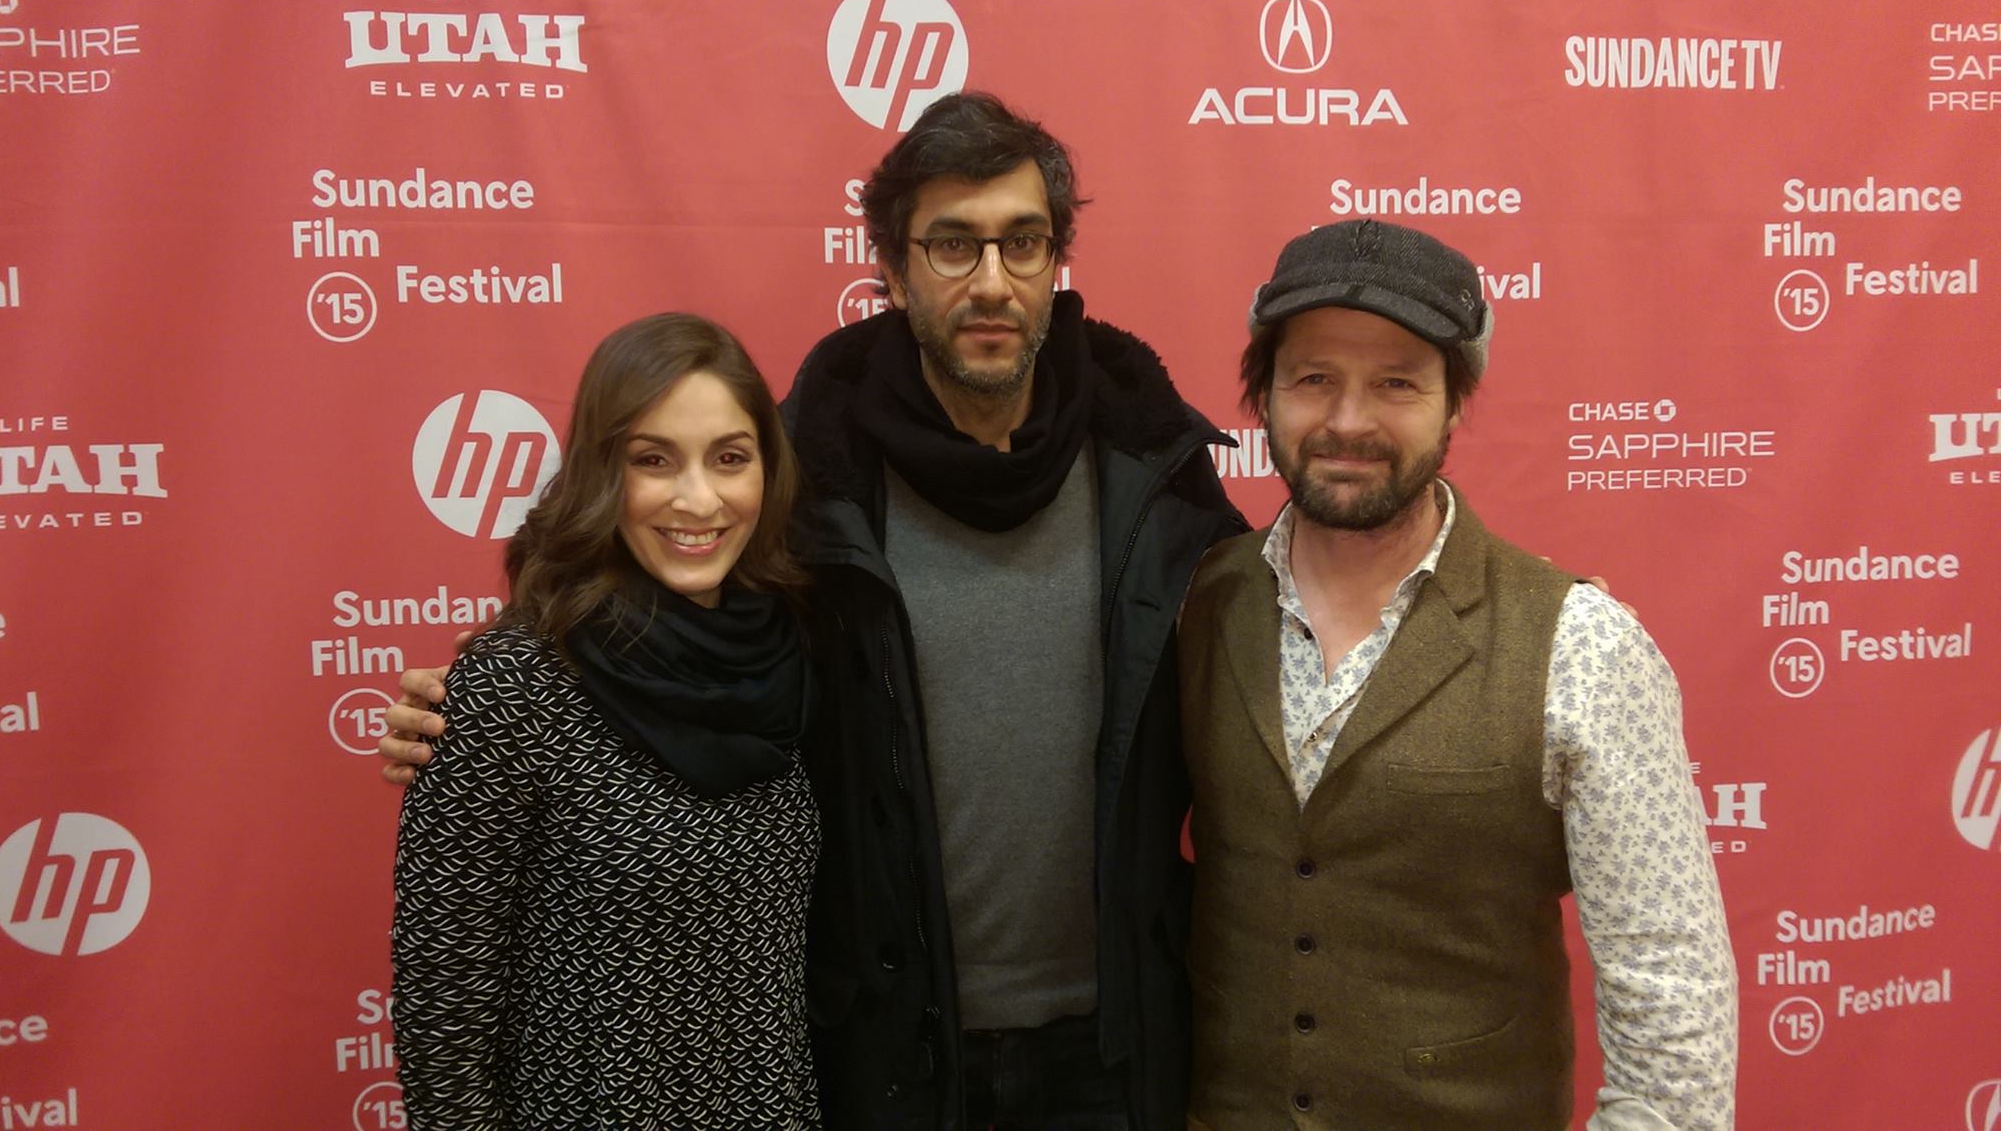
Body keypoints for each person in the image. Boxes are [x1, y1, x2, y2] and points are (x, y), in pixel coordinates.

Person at [383, 92, 1247, 1129]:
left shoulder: (1157, 479)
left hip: (1115, 1055)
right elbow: (658, 655)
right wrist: (475, 717)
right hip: (884, 1061)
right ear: (888, 267)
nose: (990, 282)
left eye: (1021, 244)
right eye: (951, 246)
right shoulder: (807, 490)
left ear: (1056, 261)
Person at [1177, 219, 1738, 1129]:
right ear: (1265, 395)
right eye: (1314, 378)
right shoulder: (1191, 605)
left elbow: (1671, 1005)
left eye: (1396, 383)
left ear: (1454, 402)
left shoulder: (1582, 646)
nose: (1348, 420)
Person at [389, 314, 821, 1128]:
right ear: (600, 474)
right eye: (653, 461)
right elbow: (444, 1009)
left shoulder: (791, 655)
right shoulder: (517, 683)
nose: (699, 498)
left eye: (730, 458)